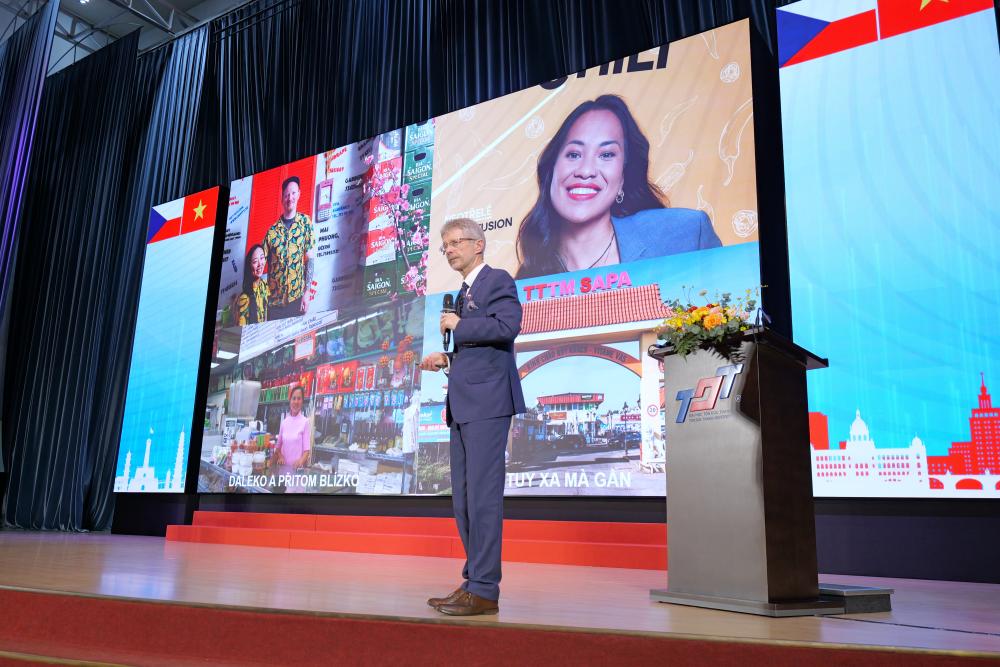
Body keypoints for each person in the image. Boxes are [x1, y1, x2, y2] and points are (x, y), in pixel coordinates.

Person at [420, 217, 526, 616]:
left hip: (488, 404)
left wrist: (460, 326)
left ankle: (484, 589)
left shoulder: (497, 280)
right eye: (444, 245)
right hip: (463, 405)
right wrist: (446, 359)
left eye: (455, 242)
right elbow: (476, 345)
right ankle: (472, 582)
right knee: (464, 500)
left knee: (483, 498)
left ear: (478, 245)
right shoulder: (462, 293)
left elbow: (508, 326)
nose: (449, 250)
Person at [515, 94, 721, 279]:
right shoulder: (527, 279)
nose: (585, 170)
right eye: (574, 154)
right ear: (552, 169)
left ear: (623, 176)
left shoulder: (686, 234)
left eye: (606, 155)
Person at [263, 176, 315, 319]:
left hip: (296, 299)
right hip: (274, 303)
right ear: (282, 199)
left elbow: (310, 259)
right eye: (286, 195)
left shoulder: (305, 223)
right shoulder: (272, 232)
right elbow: (260, 262)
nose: (290, 198)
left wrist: (307, 292)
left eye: (293, 193)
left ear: (299, 194)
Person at [275, 385, 311, 477]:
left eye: (299, 399)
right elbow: (277, 448)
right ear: (290, 400)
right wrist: (280, 457)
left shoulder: (305, 422)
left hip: (297, 473)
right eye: (293, 398)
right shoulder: (284, 422)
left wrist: (300, 461)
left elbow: (306, 451)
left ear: (302, 401)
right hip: (283, 472)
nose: (296, 402)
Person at [236, 244, 269, 325]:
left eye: (262, 258)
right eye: (255, 261)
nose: (260, 264)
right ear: (249, 266)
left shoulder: (264, 284)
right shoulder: (245, 298)